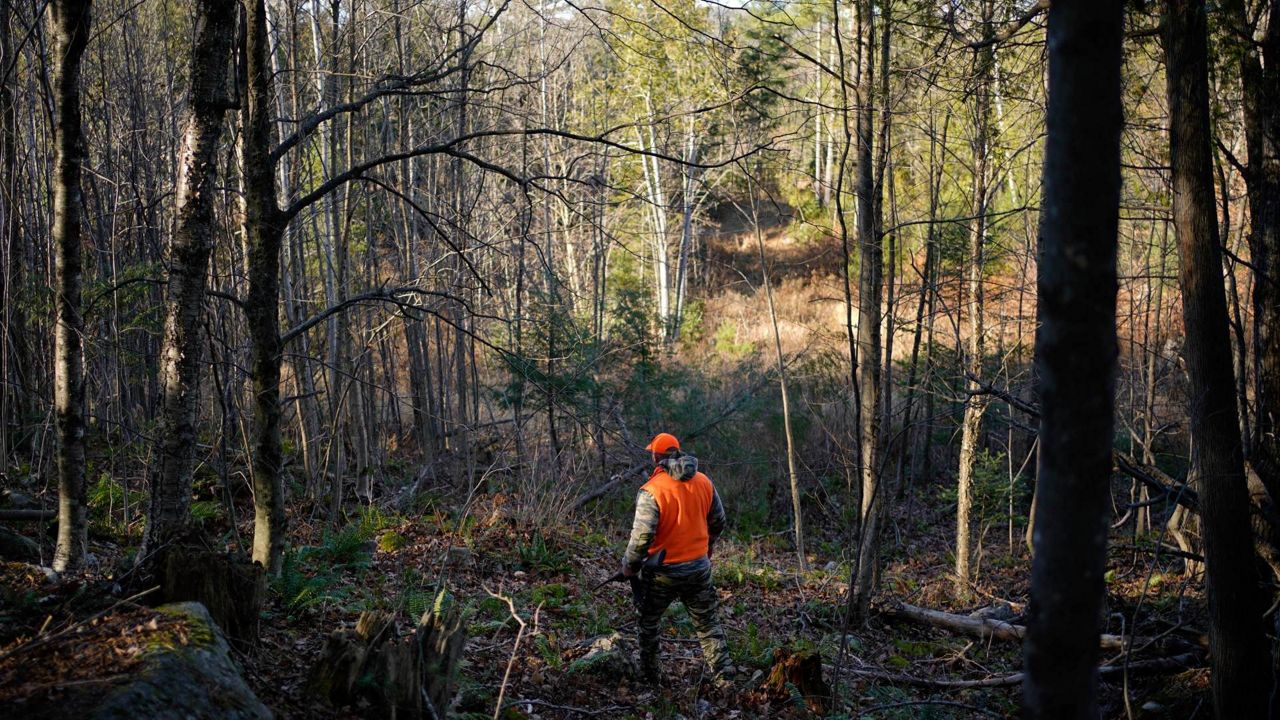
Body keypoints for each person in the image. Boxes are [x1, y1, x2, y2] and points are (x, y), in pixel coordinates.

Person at [622, 432, 731, 683]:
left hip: (662, 574)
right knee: (708, 625)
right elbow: (719, 522)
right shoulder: (704, 481)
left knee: (649, 623)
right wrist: (707, 547)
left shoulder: (651, 490)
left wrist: (629, 566)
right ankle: (726, 680)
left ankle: (651, 680)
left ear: (655, 457)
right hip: (699, 569)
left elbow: (641, 538)